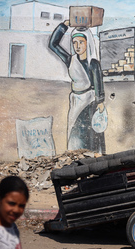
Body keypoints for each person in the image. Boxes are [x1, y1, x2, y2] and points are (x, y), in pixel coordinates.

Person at [49, 20, 106, 153]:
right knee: (74, 132)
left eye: (81, 42)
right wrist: (64, 25)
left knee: (91, 135)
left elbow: (98, 85)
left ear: (88, 43)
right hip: (76, 101)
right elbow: (53, 44)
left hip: (90, 102)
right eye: (75, 43)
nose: (77, 46)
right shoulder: (71, 60)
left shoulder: (93, 63)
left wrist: (100, 101)